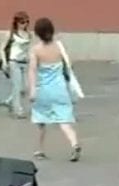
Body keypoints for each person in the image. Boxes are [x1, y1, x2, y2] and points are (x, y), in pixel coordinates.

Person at [28, 17, 81, 162]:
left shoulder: (36, 50)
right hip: (60, 89)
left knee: (41, 121)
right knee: (64, 120)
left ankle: (40, 150)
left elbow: (32, 71)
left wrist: (32, 90)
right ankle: (74, 143)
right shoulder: (59, 47)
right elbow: (68, 66)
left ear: (37, 33)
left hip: (44, 90)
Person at [0, 11, 32, 118]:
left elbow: (28, 50)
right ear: (17, 22)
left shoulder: (29, 35)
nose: (25, 24)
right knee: (17, 87)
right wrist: (4, 62)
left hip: (25, 63)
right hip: (14, 62)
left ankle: (10, 102)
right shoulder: (11, 34)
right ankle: (18, 111)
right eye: (22, 22)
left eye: (27, 22)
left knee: (25, 88)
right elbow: (2, 49)